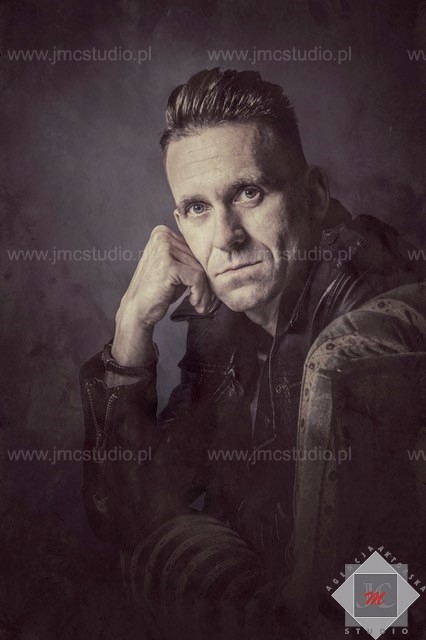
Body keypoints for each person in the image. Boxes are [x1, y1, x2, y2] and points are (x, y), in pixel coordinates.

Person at [80, 68, 425, 639]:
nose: (226, 237)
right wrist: (130, 329)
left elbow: (387, 608)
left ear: (314, 195)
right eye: (197, 208)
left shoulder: (367, 327)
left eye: (249, 193)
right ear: (179, 224)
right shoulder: (227, 315)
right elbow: (123, 513)